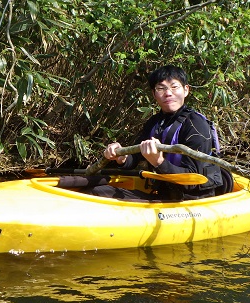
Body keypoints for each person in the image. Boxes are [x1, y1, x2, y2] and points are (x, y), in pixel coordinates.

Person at [85, 65, 224, 201]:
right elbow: (135, 158)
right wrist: (121, 157)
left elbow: (193, 180)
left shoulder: (196, 124)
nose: (168, 93)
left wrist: (158, 161)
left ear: (186, 90)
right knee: (95, 191)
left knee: (97, 194)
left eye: (174, 87)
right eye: (161, 88)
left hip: (191, 200)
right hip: (163, 194)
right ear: (154, 94)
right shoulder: (154, 122)